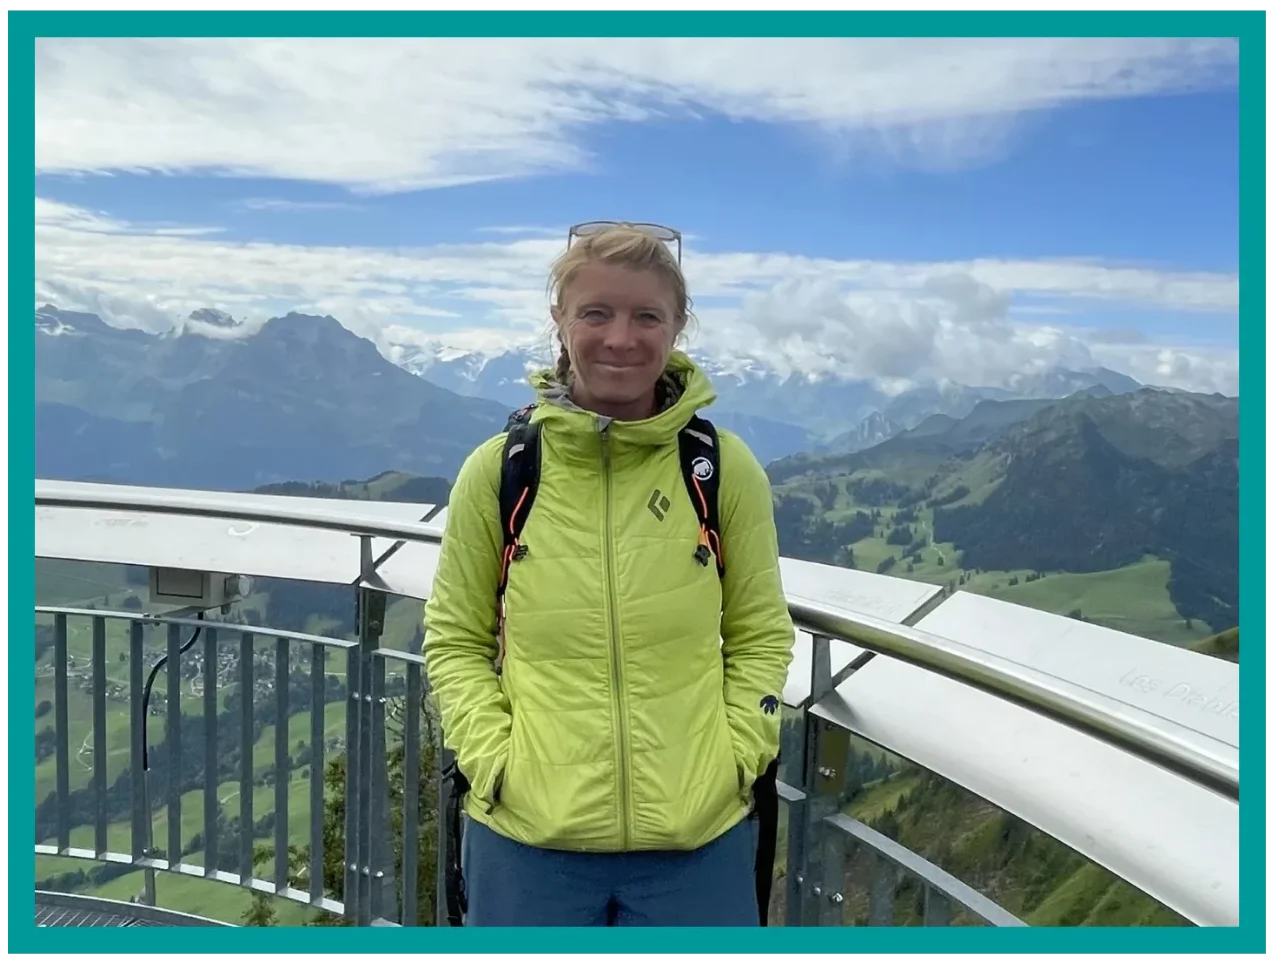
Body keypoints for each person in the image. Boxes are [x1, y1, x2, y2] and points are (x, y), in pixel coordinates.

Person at [422, 222, 795, 927]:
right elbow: (453, 638)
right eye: (595, 312)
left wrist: (735, 758)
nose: (621, 338)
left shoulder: (720, 470)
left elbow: (760, 634)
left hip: (698, 839)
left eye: (646, 315)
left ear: (677, 326)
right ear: (559, 322)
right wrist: (495, 762)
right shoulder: (501, 471)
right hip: (528, 841)